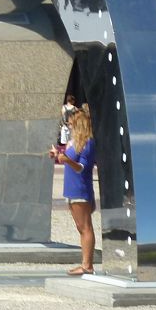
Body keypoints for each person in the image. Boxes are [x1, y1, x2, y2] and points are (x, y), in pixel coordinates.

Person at [50, 104, 96, 276]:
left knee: (85, 227)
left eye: (71, 124)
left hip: (80, 189)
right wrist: (58, 156)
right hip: (72, 188)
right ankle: (85, 263)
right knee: (80, 226)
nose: (69, 126)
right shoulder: (75, 142)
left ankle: (87, 265)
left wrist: (66, 160)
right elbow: (69, 159)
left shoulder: (88, 143)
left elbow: (82, 167)